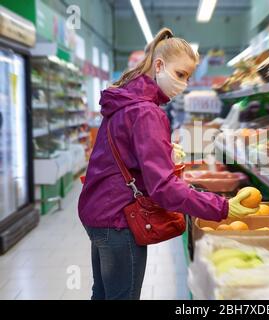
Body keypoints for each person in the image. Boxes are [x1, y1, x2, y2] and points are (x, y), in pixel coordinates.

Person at [78, 28, 257, 300]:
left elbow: (115, 155)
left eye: (188, 77)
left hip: (99, 212)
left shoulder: (126, 101)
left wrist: (163, 152)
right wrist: (222, 207)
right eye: (180, 74)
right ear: (159, 65)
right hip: (119, 220)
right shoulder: (147, 112)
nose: (183, 84)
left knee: (102, 295)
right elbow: (164, 188)